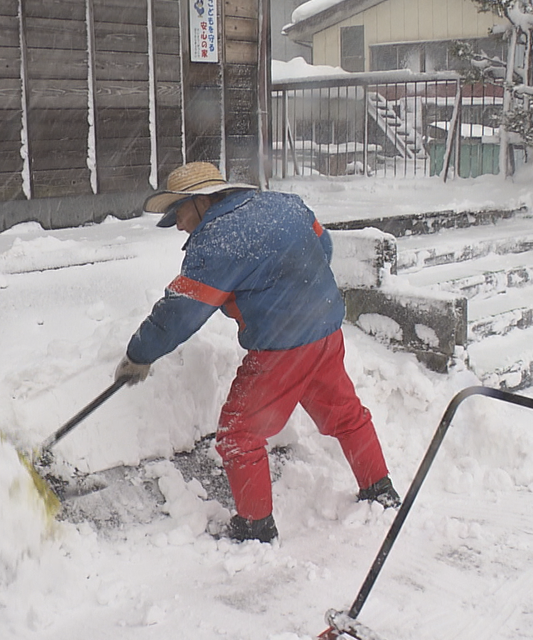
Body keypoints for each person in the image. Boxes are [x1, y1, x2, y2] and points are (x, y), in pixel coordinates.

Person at [115, 162, 400, 543]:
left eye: (178, 212)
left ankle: (255, 527)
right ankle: (379, 488)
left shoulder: (217, 240)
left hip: (281, 347)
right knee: (344, 413)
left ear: (201, 201)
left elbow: (179, 313)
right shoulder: (286, 204)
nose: (179, 225)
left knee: (238, 434)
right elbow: (323, 246)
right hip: (325, 328)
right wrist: (288, 288)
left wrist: (139, 354)